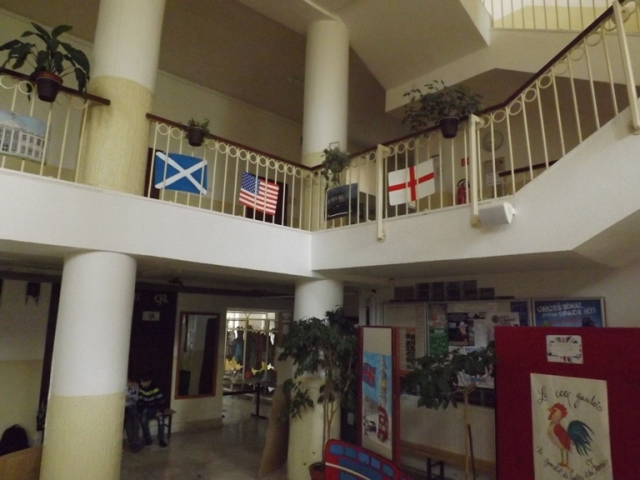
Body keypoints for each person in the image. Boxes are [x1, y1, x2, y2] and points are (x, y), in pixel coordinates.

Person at [138, 372, 167, 447]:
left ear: (149, 381)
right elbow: (140, 401)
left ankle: (161, 440)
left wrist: (160, 411)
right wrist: (140, 411)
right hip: (147, 409)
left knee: (161, 420)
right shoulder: (141, 389)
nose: (141, 383)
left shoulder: (155, 388)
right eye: (141, 382)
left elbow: (162, 401)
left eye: (143, 382)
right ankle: (148, 438)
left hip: (156, 408)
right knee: (143, 419)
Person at [124, 375, 144, 452]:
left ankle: (134, 442)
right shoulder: (122, 386)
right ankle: (133, 443)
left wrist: (133, 391)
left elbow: (135, 399)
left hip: (132, 406)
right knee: (128, 423)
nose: (131, 384)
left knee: (135, 421)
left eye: (133, 382)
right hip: (124, 408)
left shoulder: (135, 385)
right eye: (129, 382)